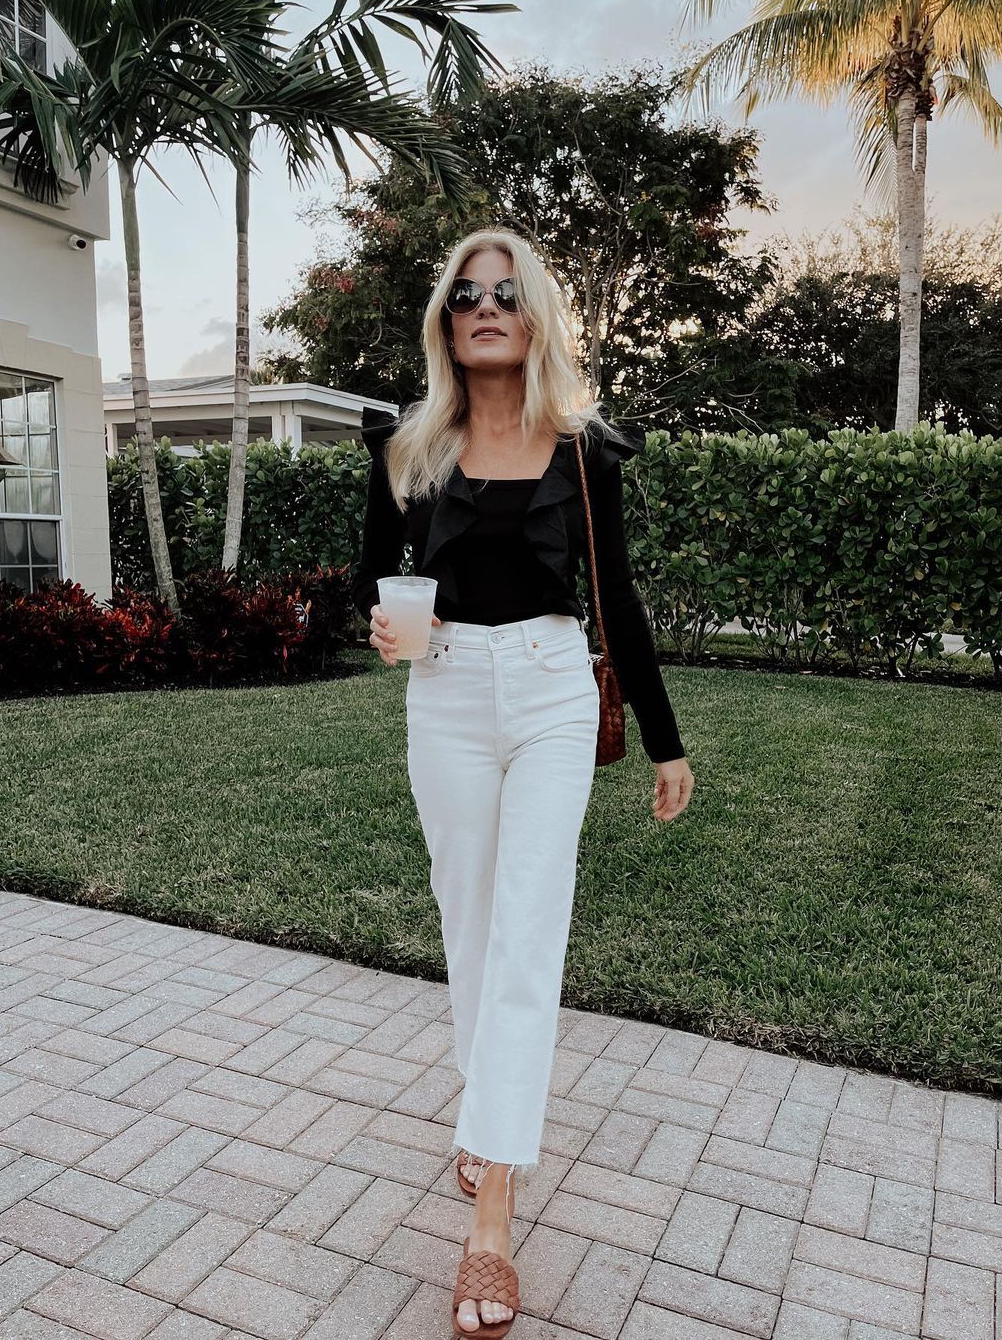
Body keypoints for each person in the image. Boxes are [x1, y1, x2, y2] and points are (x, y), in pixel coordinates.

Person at [348, 226, 694, 1338]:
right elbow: (373, 581)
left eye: (505, 291)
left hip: (550, 691)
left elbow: (617, 599)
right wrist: (382, 628)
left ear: (534, 314)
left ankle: (493, 1205)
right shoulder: (409, 450)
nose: (485, 306)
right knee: (471, 923)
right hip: (445, 691)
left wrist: (665, 740)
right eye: (466, 294)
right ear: (446, 322)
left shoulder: (586, 450)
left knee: (529, 930)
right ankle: (485, 1114)